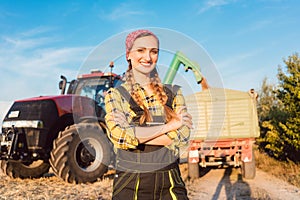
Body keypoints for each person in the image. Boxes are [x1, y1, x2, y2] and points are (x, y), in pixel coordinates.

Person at [105, 29, 193, 200]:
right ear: (128, 55)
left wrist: (134, 131)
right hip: (130, 184)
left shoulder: (174, 93)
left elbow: (183, 137)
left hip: (171, 183)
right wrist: (169, 127)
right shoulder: (115, 95)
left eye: (154, 51)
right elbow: (119, 136)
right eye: (141, 50)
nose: (148, 57)